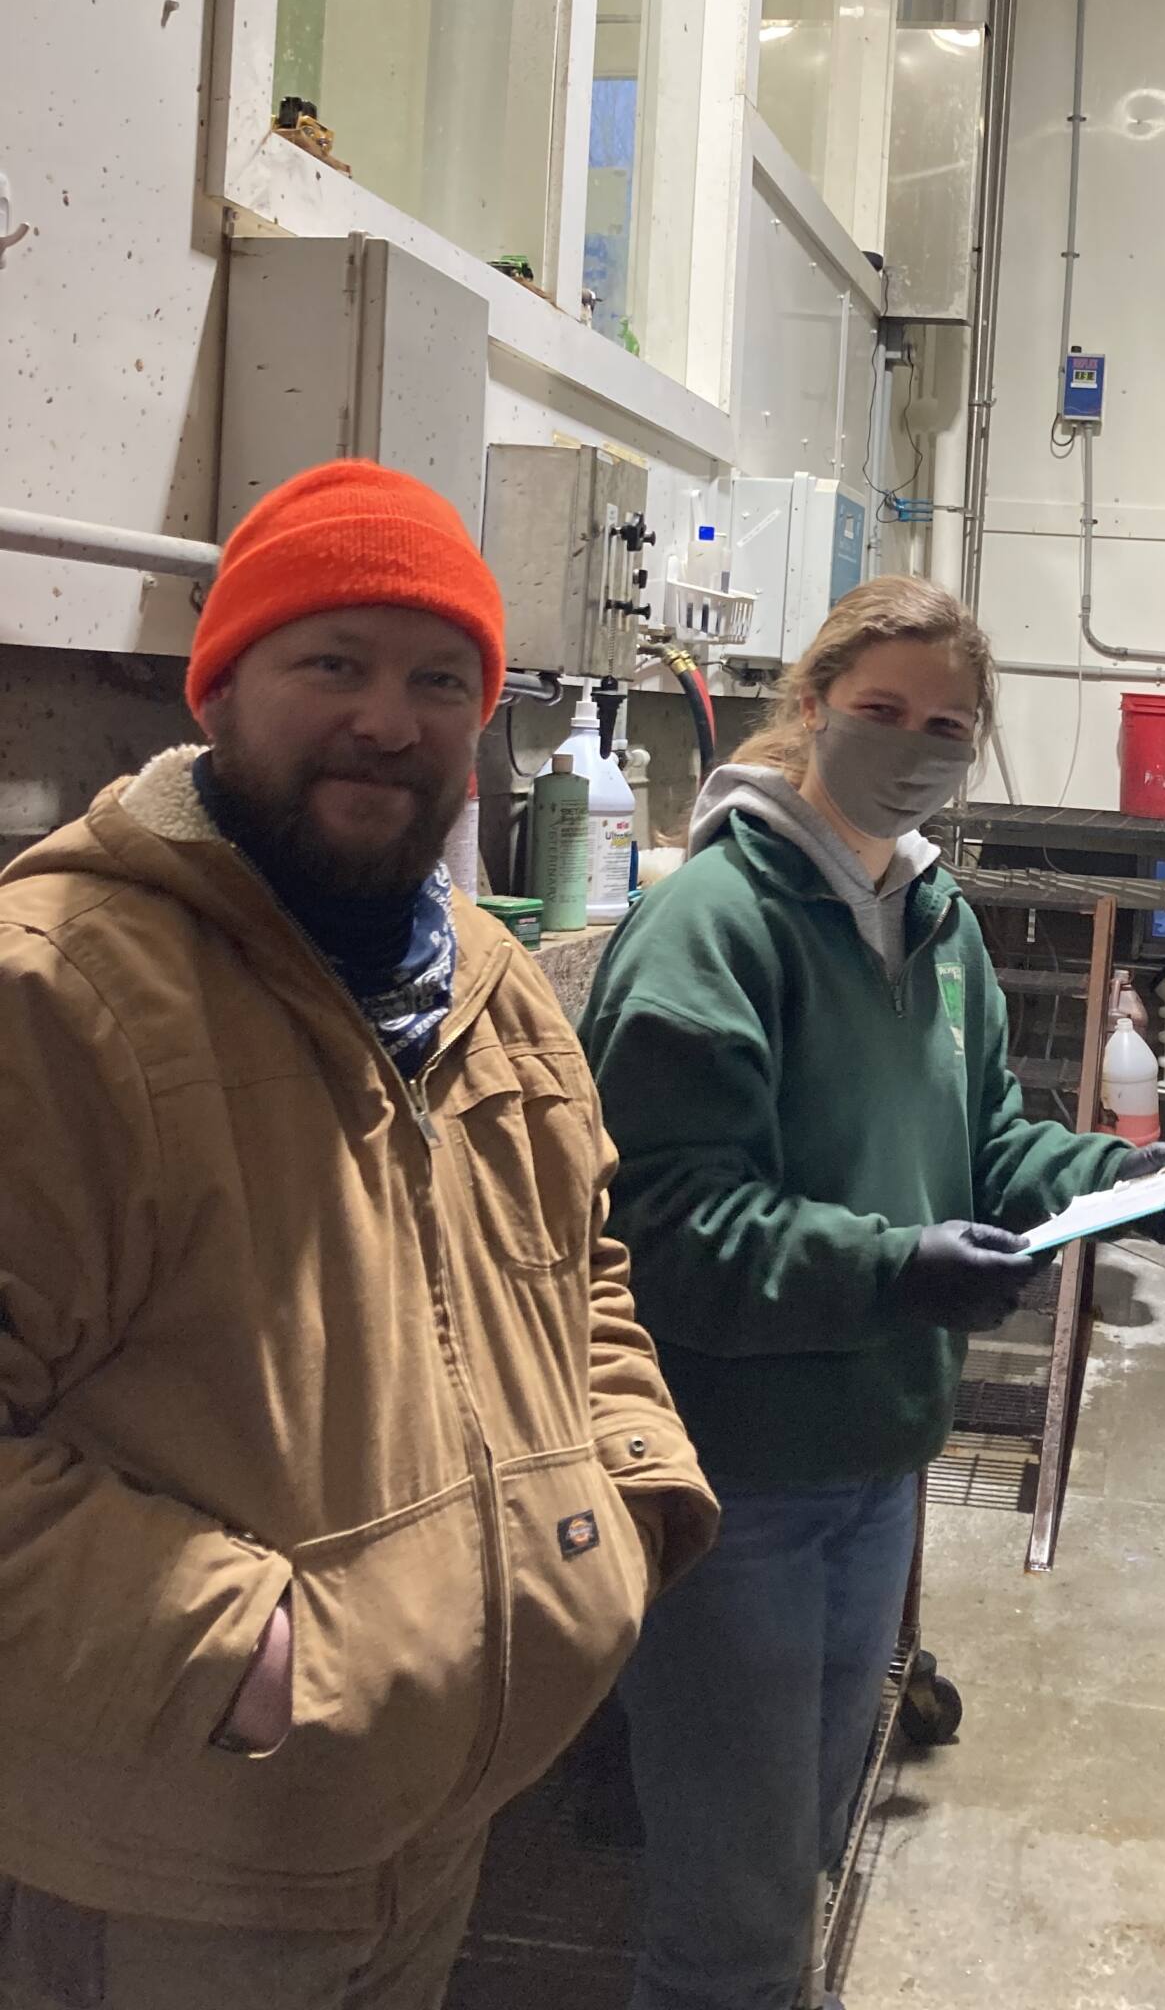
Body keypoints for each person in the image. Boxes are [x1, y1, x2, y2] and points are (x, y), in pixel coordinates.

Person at [0, 460, 717, 2008]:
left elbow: (579, 1267)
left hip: (437, 1826)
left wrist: (632, 1501)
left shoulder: (482, 979)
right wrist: (245, 1657)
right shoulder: (63, 997)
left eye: (438, 680)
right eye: (333, 663)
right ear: (224, 685)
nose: (389, 721)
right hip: (187, 1862)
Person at [580, 577, 1165, 2010]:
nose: (914, 745)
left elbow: (983, 1145)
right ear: (810, 709)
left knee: (798, 1849)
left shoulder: (935, 918)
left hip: (876, 1460)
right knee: (727, 1905)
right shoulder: (711, 930)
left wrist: (1120, 1176)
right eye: (883, 713)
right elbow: (660, 1231)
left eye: (947, 726)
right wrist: (893, 1266)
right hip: (734, 1482)